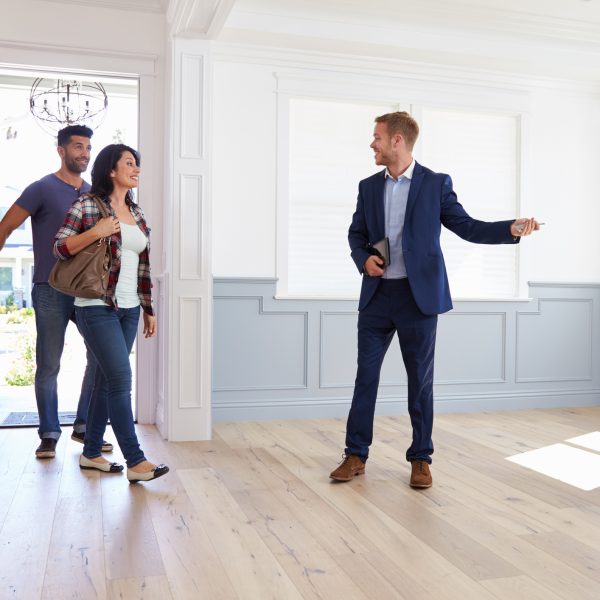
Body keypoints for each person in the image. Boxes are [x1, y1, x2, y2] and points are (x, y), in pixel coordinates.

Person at [330, 111, 539, 489]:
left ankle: (421, 459)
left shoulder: (434, 184)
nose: (372, 144)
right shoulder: (368, 187)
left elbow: (468, 226)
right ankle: (356, 454)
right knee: (366, 378)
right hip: (377, 298)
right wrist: (363, 259)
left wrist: (510, 229)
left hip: (418, 300)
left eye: (377, 137)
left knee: (420, 383)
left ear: (397, 140)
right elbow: (355, 234)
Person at [53, 143, 168, 482]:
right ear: (111, 170)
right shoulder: (87, 205)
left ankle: (91, 454)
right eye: (130, 163)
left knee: (105, 381)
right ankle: (135, 461)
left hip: (130, 309)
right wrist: (96, 231)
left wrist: (149, 309)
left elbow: (143, 265)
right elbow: (59, 246)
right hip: (96, 306)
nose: (136, 170)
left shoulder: (138, 212)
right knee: (120, 380)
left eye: (138, 164)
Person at [0, 125, 112, 459]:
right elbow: (5, 227)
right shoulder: (41, 189)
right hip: (49, 288)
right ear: (61, 150)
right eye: (78, 147)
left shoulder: (95, 195)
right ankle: (49, 433)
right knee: (49, 363)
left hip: (88, 290)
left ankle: (83, 427)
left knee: (100, 358)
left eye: (89, 147)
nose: (85, 153)